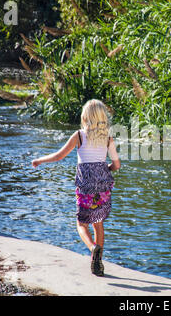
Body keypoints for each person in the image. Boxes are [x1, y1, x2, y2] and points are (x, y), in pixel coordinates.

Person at [31, 99, 120, 276]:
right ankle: (98, 263)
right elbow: (116, 165)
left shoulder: (79, 135)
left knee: (81, 224)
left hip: (85, 186)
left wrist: (40, 160)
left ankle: (93, 247)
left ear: (86, 117)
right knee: (98, 223)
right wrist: (105, 170)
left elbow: (59, 156)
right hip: (102, 186)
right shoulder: (108, 138)